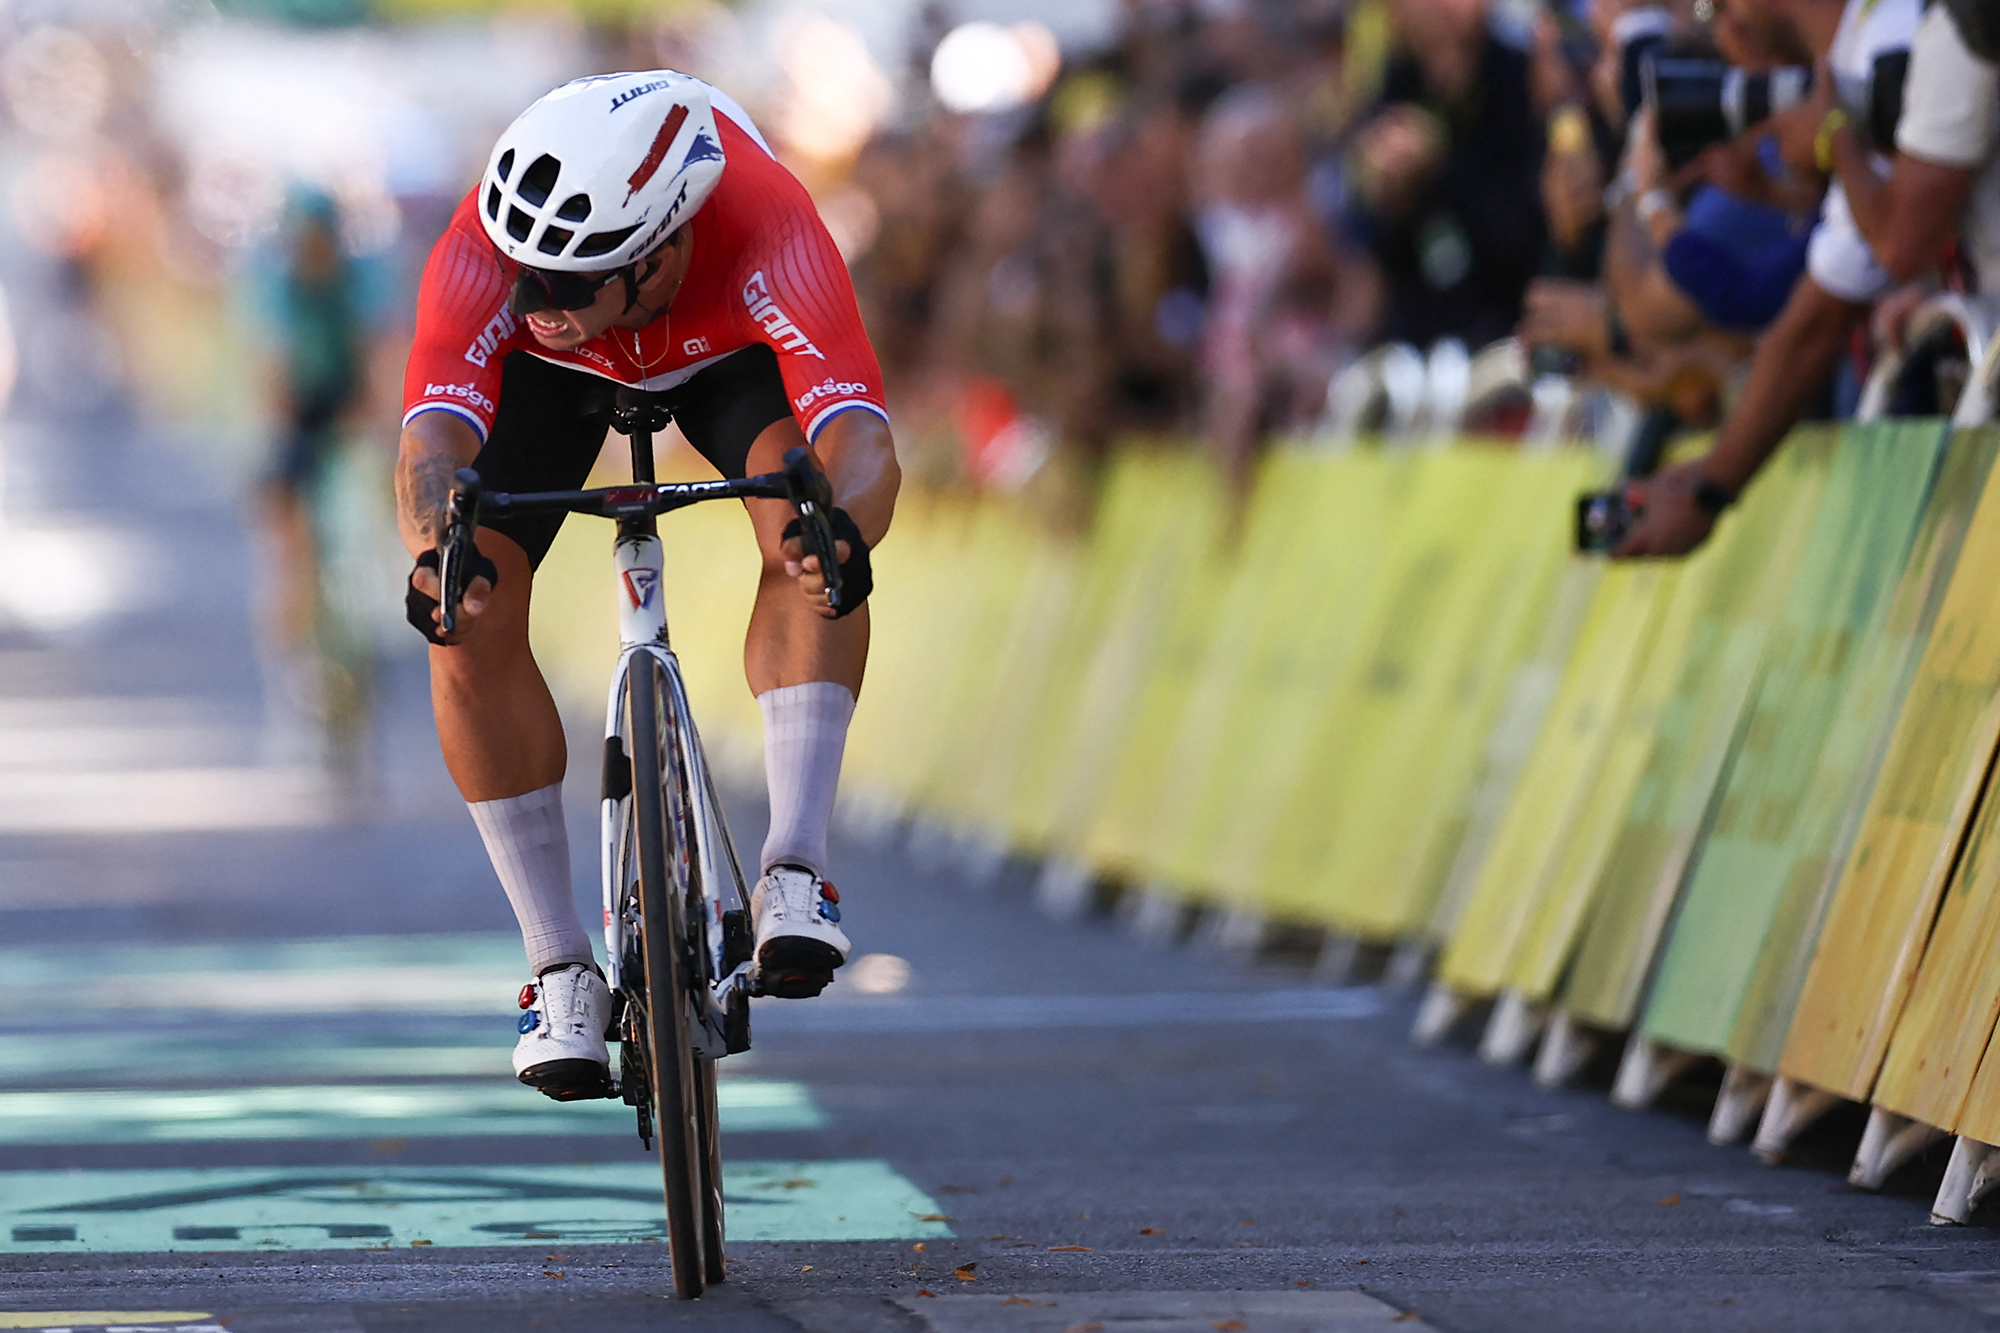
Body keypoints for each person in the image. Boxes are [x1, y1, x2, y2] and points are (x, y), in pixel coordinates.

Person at [394, 72, 901, 1100]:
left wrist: (843, 526)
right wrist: (434, 544)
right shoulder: (491, 255)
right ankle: (556, 965)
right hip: (554, 390)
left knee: (805, 532)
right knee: (465, 603)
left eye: (568, 283)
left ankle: (794, 869)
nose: (538, 301)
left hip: (723, 357)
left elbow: (858, 430)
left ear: (664, 247)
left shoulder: (767, 220)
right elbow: (432, 437)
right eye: (525, 276)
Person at [1614, 0, 1921, 556]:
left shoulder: (1886, 41)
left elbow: (1818, 298)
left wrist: (1647, 196)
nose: (1723, 23)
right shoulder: (1854, 53)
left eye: (1718, 8)